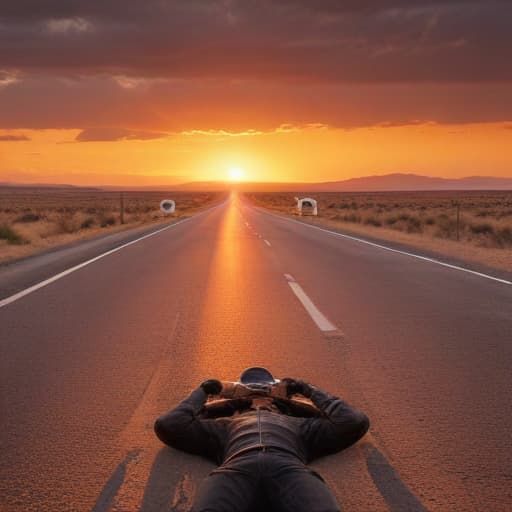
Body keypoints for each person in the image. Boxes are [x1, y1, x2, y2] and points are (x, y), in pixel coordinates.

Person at [154, 367, 369, 512]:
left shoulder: (302, 426)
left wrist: (306, 390)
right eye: (252, 394)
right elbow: (170, 424)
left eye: (267, 393)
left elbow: (353, 420)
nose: (259, 396)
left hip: (288, 469)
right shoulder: (222, 427)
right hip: (235, 470)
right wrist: (209, 392)